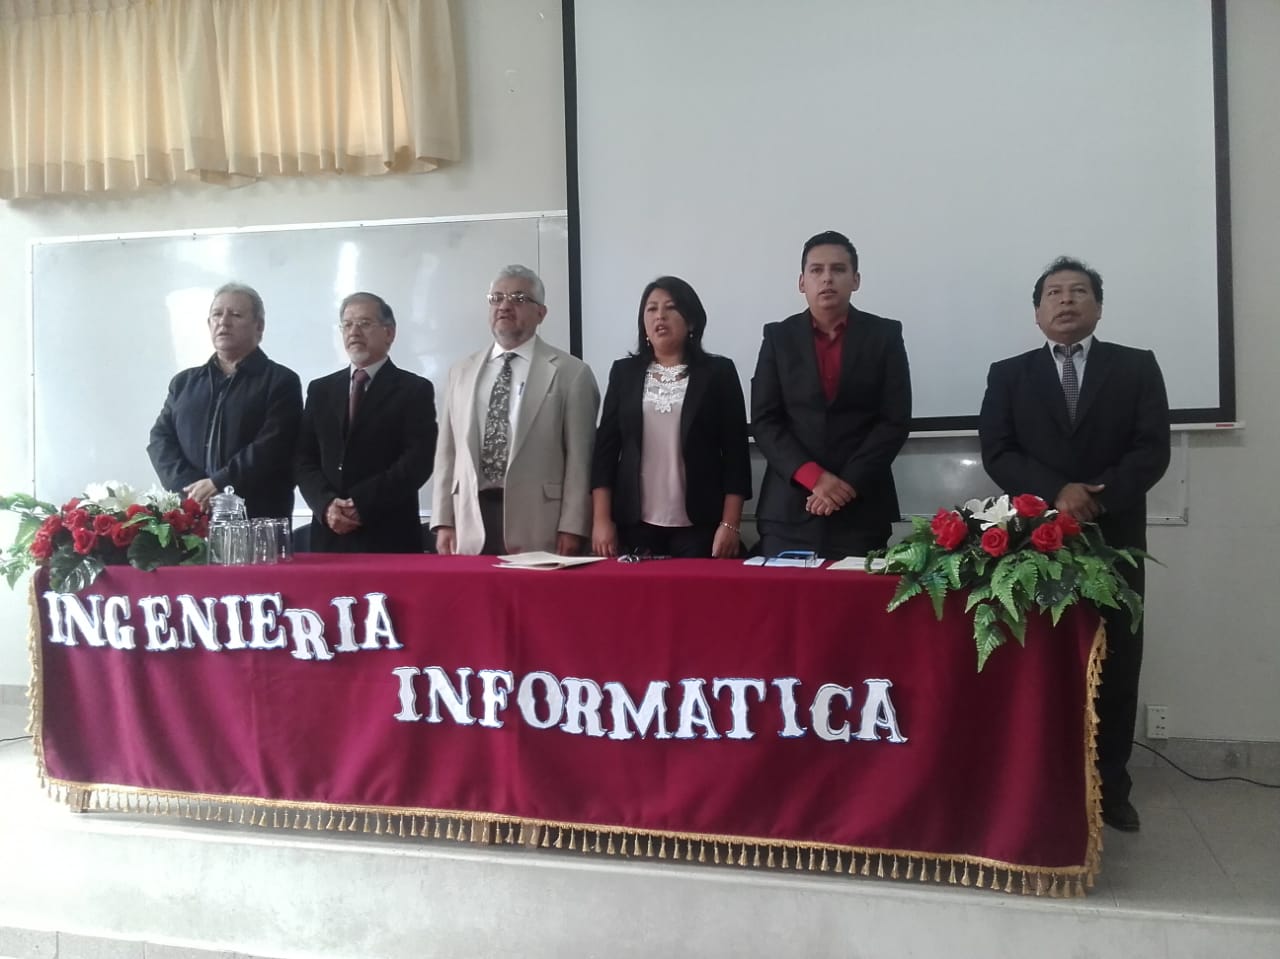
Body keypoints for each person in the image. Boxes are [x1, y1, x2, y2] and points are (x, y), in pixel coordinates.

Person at [979, 255, 1170, 833]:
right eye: (1054, 293)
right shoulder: (1008, 374)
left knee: (1116, 659)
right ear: (1037, 312)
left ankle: (1111, 787)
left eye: (1079, 291)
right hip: (1035, 540)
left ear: (1099, 307)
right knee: (1038, 659)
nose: (1066, 301)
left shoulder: (1135, 366)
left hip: (1115, 536)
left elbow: (1151, 449)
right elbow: (998, 450)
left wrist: (1096, 499)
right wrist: (1057, 492)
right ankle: (1038, 781)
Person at [750, 231, 912, 559]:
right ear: (802, 282)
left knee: (856, 593)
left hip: (861, 508)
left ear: (856, 280)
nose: (827, 278)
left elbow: (894, 421)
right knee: (785, 593)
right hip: (789, 509)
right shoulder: (778, 338)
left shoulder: (885, 335)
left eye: (838, 269)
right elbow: (765, 421)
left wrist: (846, 485)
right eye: (816, 270)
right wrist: (815, 478)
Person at [431, 265, 599, 555]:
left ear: (541, 313)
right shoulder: (461, 371)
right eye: (496, 298)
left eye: (518, 298)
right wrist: (443, 520)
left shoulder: (571, 373)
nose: (505, 306)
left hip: (540, 520)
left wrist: (573, 526)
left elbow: (580, 460)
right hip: (470, 516)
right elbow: (447, 452)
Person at [590, 276, 751, 558]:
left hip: (701, 524)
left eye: (671, 307)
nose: (660, 316)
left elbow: (736, 455)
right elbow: (605, 452)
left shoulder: (719, 372)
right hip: (635, 523)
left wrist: (730, 524)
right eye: (651, 309)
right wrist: (601, 520)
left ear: (691, 321)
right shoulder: (624, 373)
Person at [295, 292, 437, 553]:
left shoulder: (414, 389)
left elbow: (418, 460)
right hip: (328, 536)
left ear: (389, 333)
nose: (354, 332)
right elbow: (303, 458)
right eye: (347, 325)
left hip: (388, 534)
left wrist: (361, 503)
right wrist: (326, 505)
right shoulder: (320, 390)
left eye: (364, 323)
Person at [148, 282, 302, 519]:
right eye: (217, 314)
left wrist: (219, 483)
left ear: (259, 326)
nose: (224, 322)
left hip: (257, 514)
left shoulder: (280, 380)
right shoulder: (184, 383)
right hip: (192, 514)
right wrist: (193, 489)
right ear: (209, 323)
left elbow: (273, 445)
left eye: (236, 315)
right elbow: (160, 440)